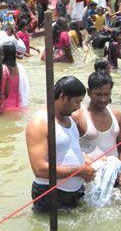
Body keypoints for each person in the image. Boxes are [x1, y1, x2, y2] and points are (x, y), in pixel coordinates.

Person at [25, 76, 95, 212]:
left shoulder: (70, 121)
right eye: (76, 102)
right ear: (62, 97)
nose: (78, 107)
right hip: (51, 193)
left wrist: (87, 162)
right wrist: (78, 171)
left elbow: (71, 151)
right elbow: (39, 169)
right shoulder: (40, 123)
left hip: (75, 192)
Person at [72, 72, 121, 190]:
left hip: (114, 175)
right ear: (88, 92)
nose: (103, 99)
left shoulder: (116, 115)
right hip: (90, 179)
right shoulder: (78, 116)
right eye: (98, 94)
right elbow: (71, 151)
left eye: (107, 94)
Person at [1, 43, 29, 111]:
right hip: (17, 104)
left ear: (5, 54)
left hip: (5, 105)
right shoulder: (20, 67)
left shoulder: (3, 69)